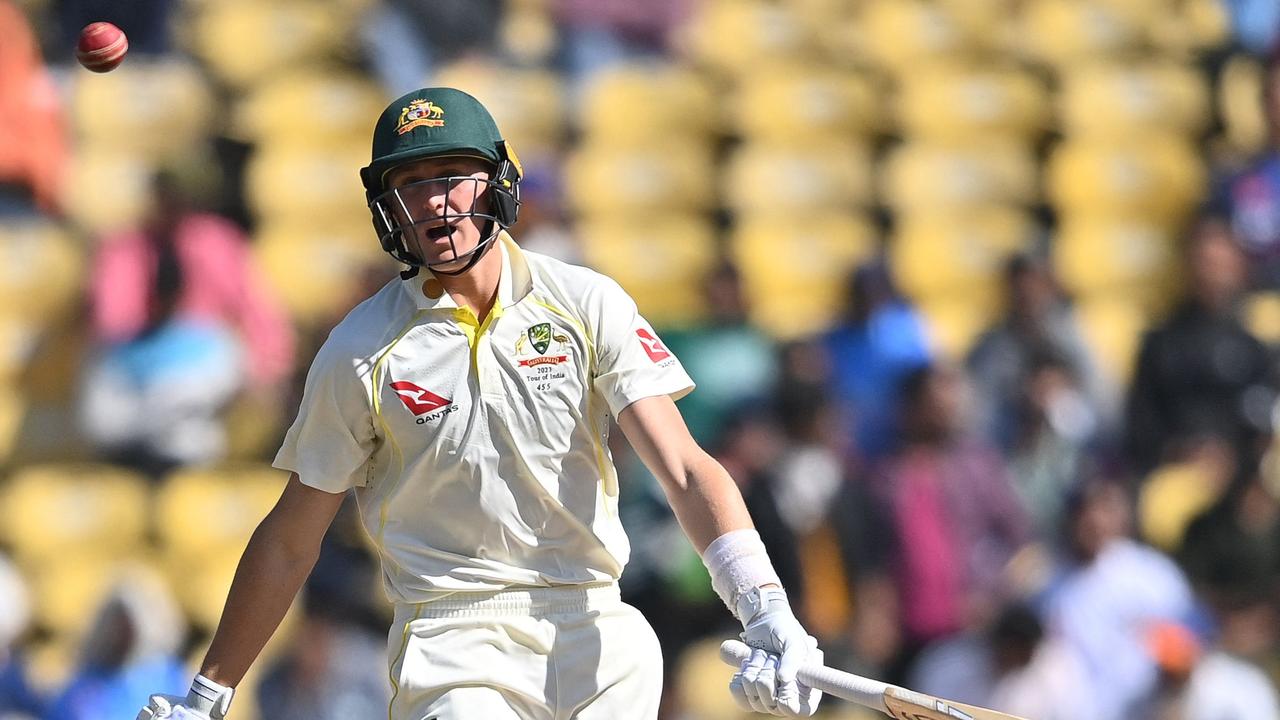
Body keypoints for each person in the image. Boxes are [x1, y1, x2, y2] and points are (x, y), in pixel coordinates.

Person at [137, 87, 822, 720]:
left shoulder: (586, 303)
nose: (433, 201)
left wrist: (765, 610)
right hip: (453, 641)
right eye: (410, 184)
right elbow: (290, 539)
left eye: (450, 177)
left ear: (497, 183)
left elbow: (684, 469)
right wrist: (207, 695)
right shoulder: (360, 351)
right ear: (387, 208)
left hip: (599, 633)